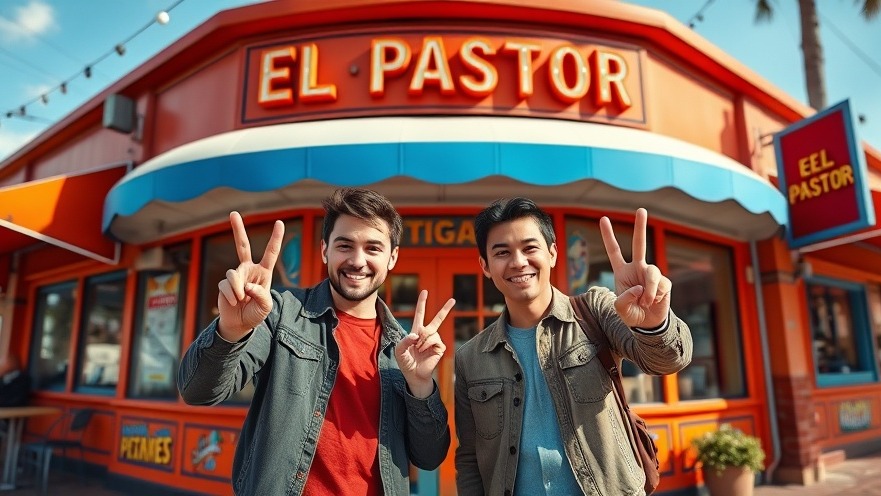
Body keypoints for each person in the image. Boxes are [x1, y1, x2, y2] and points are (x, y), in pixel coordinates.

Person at [178, 188, 455, 495]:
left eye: (373, 248)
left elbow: (429, 458)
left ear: (392, 257)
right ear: (325, 250)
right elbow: (198, 392)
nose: (357, 260)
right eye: (345, 245)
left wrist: (420, 385)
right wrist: (231, 330)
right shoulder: (280, 314)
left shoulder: (404, 349)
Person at [454, 197, 693, 496]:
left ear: (553, 253)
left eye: (530, 248)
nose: (518, 262)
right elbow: (470, 457)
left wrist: (653, 323)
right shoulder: (470, 358)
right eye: (502, 252)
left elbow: (665, 362)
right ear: (485, 266)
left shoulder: (595, 310)